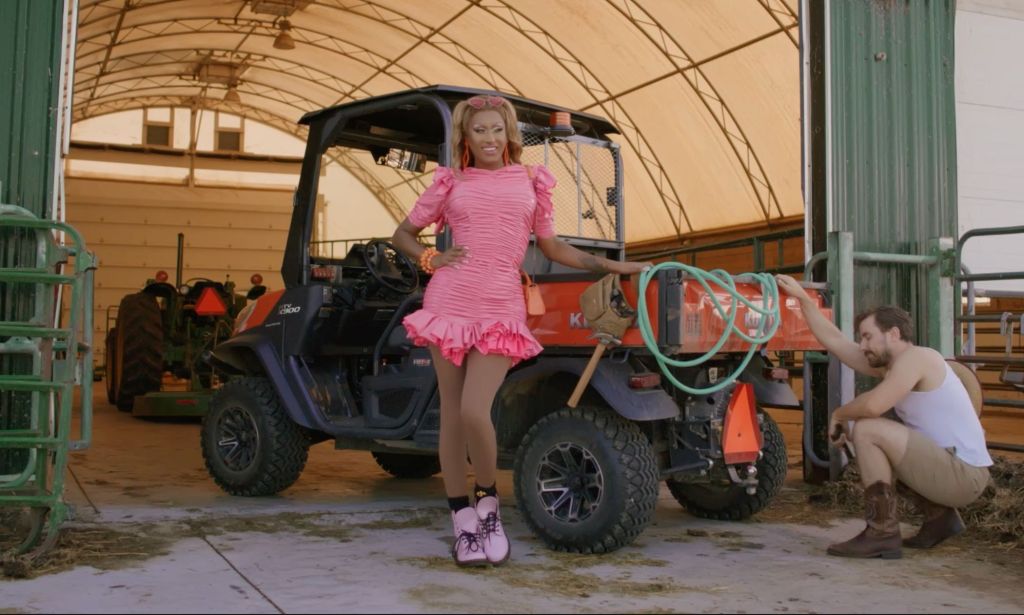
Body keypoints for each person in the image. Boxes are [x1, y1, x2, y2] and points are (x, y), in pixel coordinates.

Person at [391, 94, 650, 567]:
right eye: (478, 131)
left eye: (495, 129)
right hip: (450, 299)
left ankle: (488, 501)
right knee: (452, 414)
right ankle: (461, 520)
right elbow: (402, 234)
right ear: (465, 138)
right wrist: (431, 258)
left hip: (500, 304)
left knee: (474, 408)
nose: (488, 139)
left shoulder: (532, 181)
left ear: (508, 134)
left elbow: (553, 247)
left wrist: (616, 265)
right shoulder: (451, 181)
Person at [775, 275, 993, 559]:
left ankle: (882, 533)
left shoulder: (918, 359)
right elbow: (835, 341)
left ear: (893, 333)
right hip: (949, 469)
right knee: (866, 435)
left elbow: (873, 406)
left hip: (963, 476)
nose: (863, 345)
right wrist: (803, 300)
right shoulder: (893, 366)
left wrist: (840, 413)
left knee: (867, 430)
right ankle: (939, 518)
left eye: (868, 336)